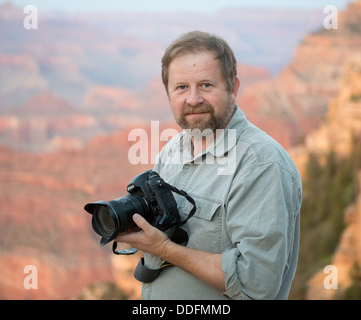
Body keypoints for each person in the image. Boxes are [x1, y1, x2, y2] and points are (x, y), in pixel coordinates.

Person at [116, 31, 302, 300]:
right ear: (168, 93)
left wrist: (165, 249)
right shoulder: (173, 150)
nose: (193, 99)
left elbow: (257, 284)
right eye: (181, 87)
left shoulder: (260, 164)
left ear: (233, 88)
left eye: (206, 85)